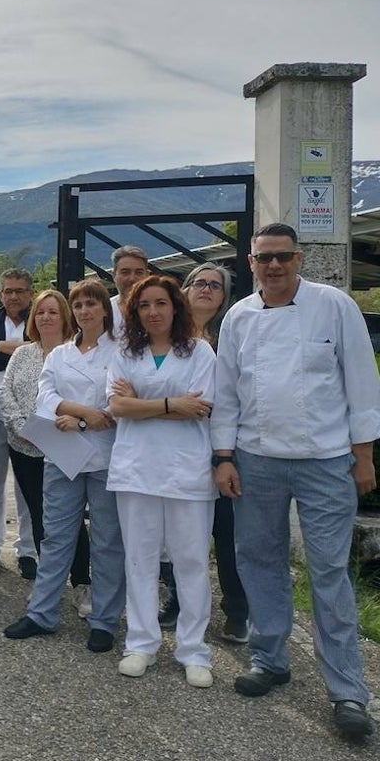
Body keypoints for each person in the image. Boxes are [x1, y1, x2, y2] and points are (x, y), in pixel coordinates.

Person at [211, 223, 380, 739]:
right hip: (256, 457)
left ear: (299, 259)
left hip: (325, 459)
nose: (274, 266)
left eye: (283, 257)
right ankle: (271, 658)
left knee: (329, 572)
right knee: (259, 559)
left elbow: (361, 380)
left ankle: (350, 692)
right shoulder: (238, 316)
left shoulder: (334, 306)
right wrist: (224, 456)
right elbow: (227, 392)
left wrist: (364, 456)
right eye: (265, 258)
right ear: (251, 262)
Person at [107, 275, 217, 688]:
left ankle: (193, 650)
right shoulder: (125, 353)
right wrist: (173, 403)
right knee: (139, 559)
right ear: (135, 313)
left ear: (176, 307)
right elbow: (117, 406)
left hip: (187, 469)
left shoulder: (200, 352)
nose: (153, 312)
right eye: (144, 306)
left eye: (161, 303)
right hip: (137, 469)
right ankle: (141, 643)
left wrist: (142, 404)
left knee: (190, 561)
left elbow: (202, 407)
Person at [3, 280, 125, 653]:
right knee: (56, 536)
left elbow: (118, 405)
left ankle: (104, 620)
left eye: (92, 304)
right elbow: (45, 398)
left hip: (105, 456)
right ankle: (42, 613)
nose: (86, 311)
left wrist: (83, 421)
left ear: (105, 310)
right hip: (64, 454)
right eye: (80, 305)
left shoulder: (121, 352)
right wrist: (84, 413)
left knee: (106, 539)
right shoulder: (59, 356)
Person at [157, 262, 248, 644]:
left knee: (227, 533)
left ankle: (237, 611)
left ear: (224, 296)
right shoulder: (165, 337)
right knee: (175, 532)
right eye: (199, 282)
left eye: (215, 285)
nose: (207, 289)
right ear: (186, 290)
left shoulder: (233, 336)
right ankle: (177, 601)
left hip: (226, 448)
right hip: (174, 446)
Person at [0, 290, 75, 574]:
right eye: (40, 312)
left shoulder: (74, 353)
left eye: (53, 311)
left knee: (69, 519)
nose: (46, 317)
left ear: (65, 316)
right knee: (39, 516)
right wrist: (21, 427)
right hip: (24, 447)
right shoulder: (22, 353)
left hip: (63, 448)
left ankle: (81, 582)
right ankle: (49, 582)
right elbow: (6, 392)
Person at [0, 268, 39, 579]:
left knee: (28, 487)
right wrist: (23, 350)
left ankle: (28, 550)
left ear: (30, 293)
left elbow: (43, 353)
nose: (14, 296)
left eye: (20, 290)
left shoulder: (40, 318)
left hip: (31, 420)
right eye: (8, 291)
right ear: (0, 294)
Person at [109, 245, 149, 335]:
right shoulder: (104, 311)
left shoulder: (160, 311)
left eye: (139, 272)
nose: (132, 279)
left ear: (147, 275)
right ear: (114, 275)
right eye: (125, 272)